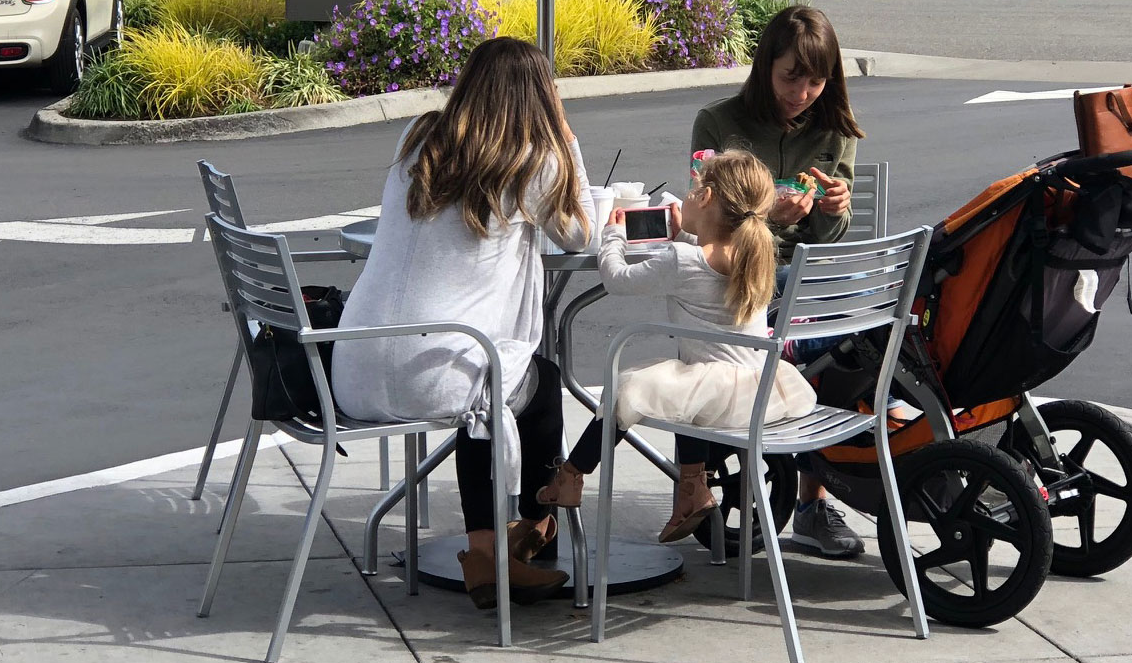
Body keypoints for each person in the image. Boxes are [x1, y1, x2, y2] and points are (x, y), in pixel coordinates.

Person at [331, 37, 594, 609]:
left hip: (349, 367)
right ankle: (528, 529)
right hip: (436, 373)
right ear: (539, 102)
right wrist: (568, 143)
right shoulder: (538, 160)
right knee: (534, 385)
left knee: (492, 378)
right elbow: (581, 235)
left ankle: (494, 550)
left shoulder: (419, 138)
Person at [536, 151, 817, 542]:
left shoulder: (683, 260)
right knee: (683, 380)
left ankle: (572, 475)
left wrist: (614, 235)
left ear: (706, 198)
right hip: (761, 388)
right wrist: (682, 229)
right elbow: (702, 261)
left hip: (716, 389)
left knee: (633, 388)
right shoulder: (756, 253)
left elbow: (617, 278)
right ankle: (691, 489)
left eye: (692, 190)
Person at [690, 5, 868, 559]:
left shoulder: (834, 130)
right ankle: (705, 482)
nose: (804, 92)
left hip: (803, 282)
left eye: (817, 80)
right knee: (826, 336)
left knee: (855, 342)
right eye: (792, 76)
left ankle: (815, 503)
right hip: (739, 280)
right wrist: (767, 218)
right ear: (765, 65)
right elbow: (703, 221)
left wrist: (834, 206)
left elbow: (831, 237)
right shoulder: (718, 123)